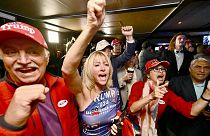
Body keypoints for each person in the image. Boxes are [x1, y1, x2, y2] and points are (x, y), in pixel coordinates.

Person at [0, 22, 79, 135]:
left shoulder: (62, 84)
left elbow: (73, 126)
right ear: (2, 58)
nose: (23, 61)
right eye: (11, 52)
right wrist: (9, 125)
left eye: (33, 52)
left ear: (47, 57)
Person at [62, 0, 120, 135]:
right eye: (97, 65)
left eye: (106, 64)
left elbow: (117, 114)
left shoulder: (114, 93)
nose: (103, 68)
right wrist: (91, 27)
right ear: (89, 69)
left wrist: (117, 125)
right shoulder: (83, 92)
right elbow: (67, 70)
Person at [127, 59, 210, 136]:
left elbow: (190, 111)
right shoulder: (139, 86)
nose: (161, 72)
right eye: (156, 69)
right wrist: (151, 96)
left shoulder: (166, 92)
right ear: (148, 74)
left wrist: (207, 93)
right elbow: (132, 109)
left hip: (153, 131)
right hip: (134, 130)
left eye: (163, 69)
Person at [160, 57, 210, 136]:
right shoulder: (176, 82)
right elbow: (167, 109)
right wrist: (197, 110)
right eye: (198, 67)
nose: (202, 71)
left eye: (206, 68)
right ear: (190, 69)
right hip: (181, 130)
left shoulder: (209, 84)